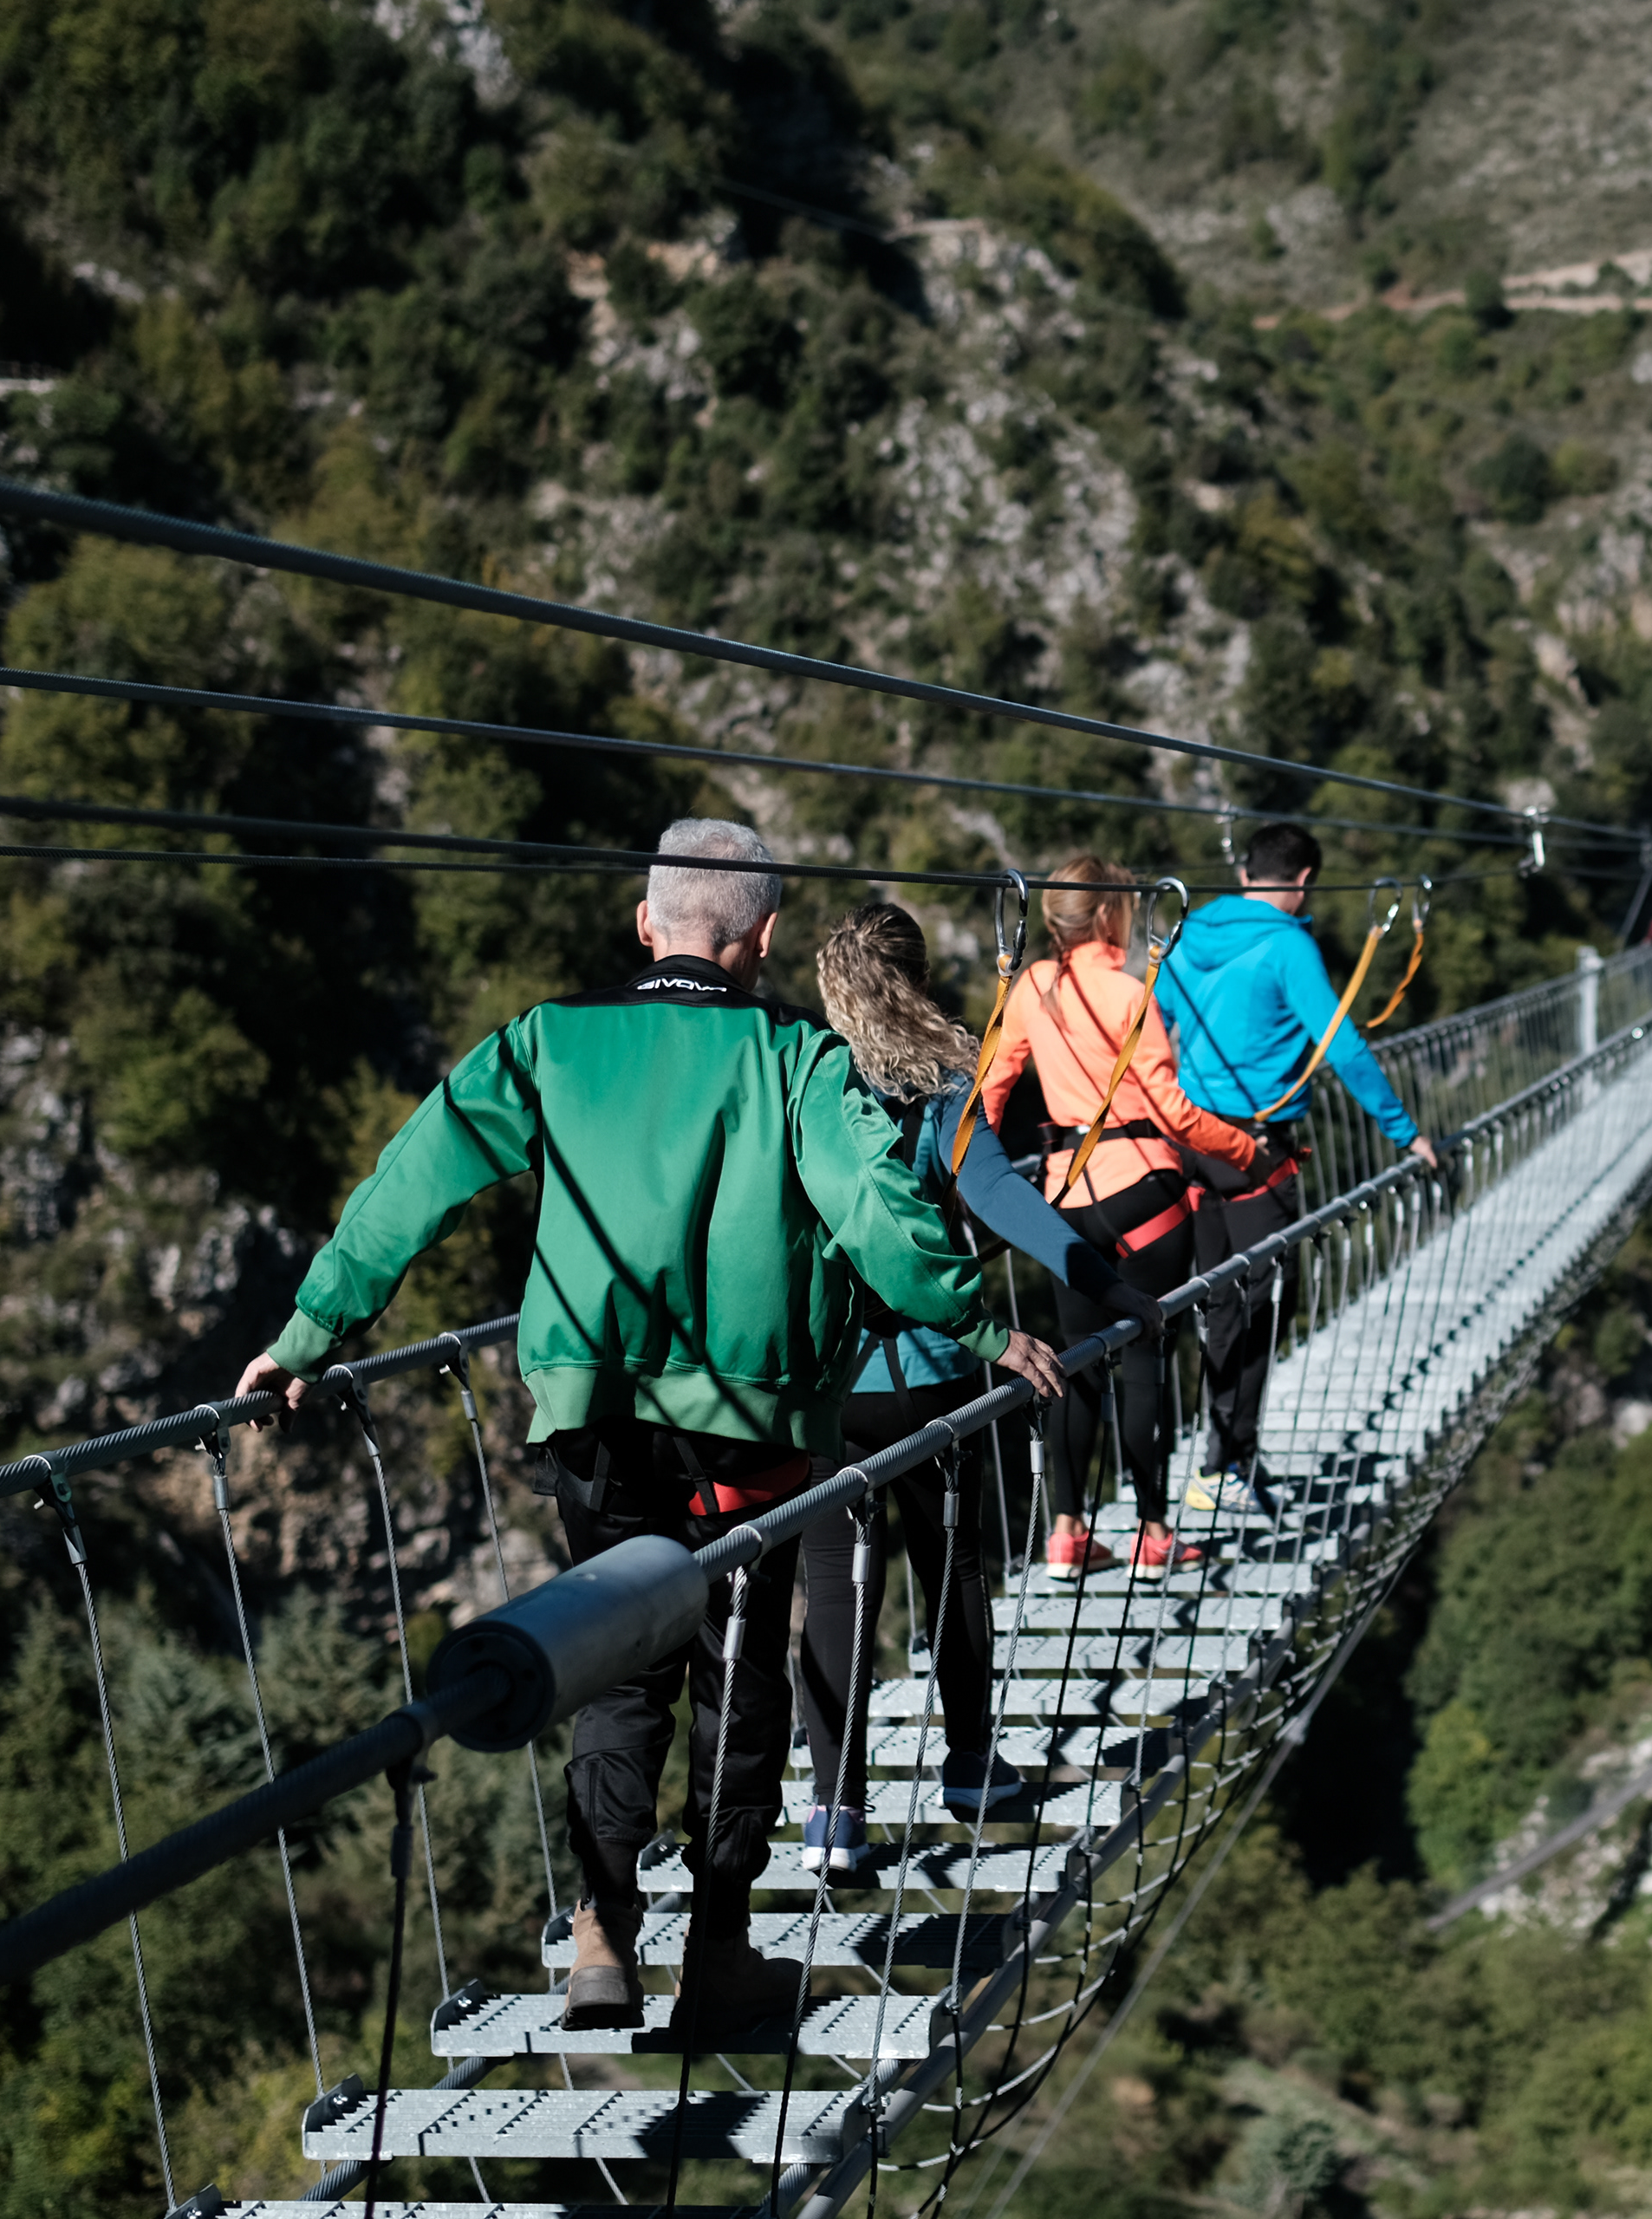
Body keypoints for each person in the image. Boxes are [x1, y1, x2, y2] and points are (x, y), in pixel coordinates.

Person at [232, 820, 1067, 2042]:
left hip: (595, 1418)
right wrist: (978, 1322)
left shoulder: (549, 1042)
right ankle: (717, 1952)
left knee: (622, 1670)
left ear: (644, 925)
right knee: (738, 1675)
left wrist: (311, 1332)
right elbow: (884, 1218)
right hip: (752, 1434)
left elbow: (413, 1178)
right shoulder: (796, 1058)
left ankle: (602, 1939)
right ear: (762, 939)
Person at [794, 901, 1160, 1873]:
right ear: (917, 979)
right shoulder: (947, 1079)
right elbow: (1000, 1199)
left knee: (835, 1586)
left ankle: (835, 1812)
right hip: (936, 1370)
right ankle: (968, 1767)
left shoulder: (806, 1076)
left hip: (830, 1381)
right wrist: (1112, 1288)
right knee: (952, 1568)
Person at [982, 856, 1264, 1575]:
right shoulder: (1129, 990)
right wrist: (1248, 1152)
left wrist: (979, 1183)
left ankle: (1066, 1534)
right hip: (1144, 1192)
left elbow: (990, 1093)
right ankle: (1152, 1533)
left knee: (1074, 1367)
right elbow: (1173, 1112)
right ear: (1111, 913)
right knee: (1144, 1363)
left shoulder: (1029, 987)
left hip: (1065, 1205)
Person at [1154, 822, 1439, 1513]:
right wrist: (1405, 1134)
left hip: (1190, 1142)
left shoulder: (1189, 931)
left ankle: (1220, 1460)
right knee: (1263, 1305)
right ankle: (1227, 1466)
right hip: (1257, 1150)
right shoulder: (1288, 947)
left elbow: (1154, 1023)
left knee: (1220, 1303)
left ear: (1246, 872)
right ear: (1305, 879)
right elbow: (1343, 1048)